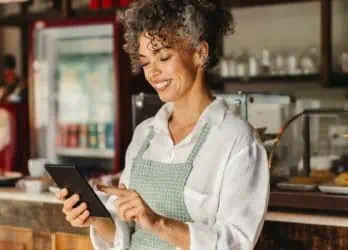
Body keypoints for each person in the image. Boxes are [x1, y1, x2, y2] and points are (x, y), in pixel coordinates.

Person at [56, 0, 270, 249]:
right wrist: (95, 219)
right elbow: (129, 237)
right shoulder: (145, 134)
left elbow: (236, 243)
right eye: (146, 62)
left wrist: (158, 223)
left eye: (164, 57)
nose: (153, 73)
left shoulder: (236, 140)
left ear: (200, 52)